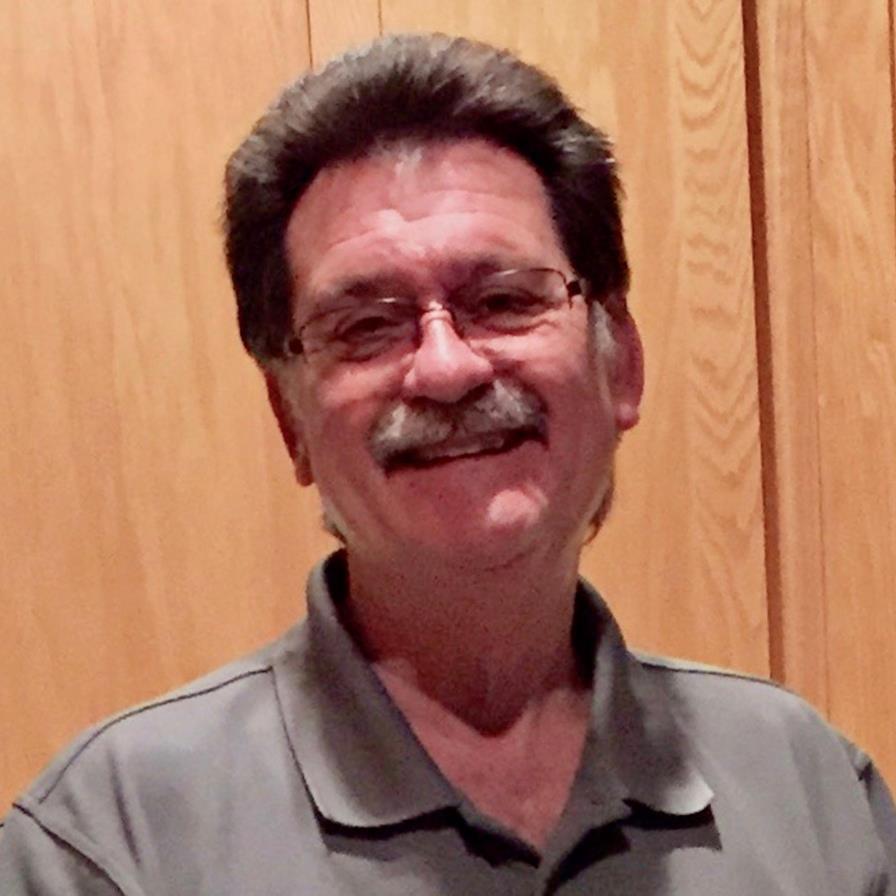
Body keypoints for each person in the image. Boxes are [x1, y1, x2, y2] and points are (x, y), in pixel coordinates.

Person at [1, 32, 893, 895]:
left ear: (621, 362)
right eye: (366, 326)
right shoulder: (112, 844)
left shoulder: (812, 793)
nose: (446, 368)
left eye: (502, 301)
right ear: (289, 419)